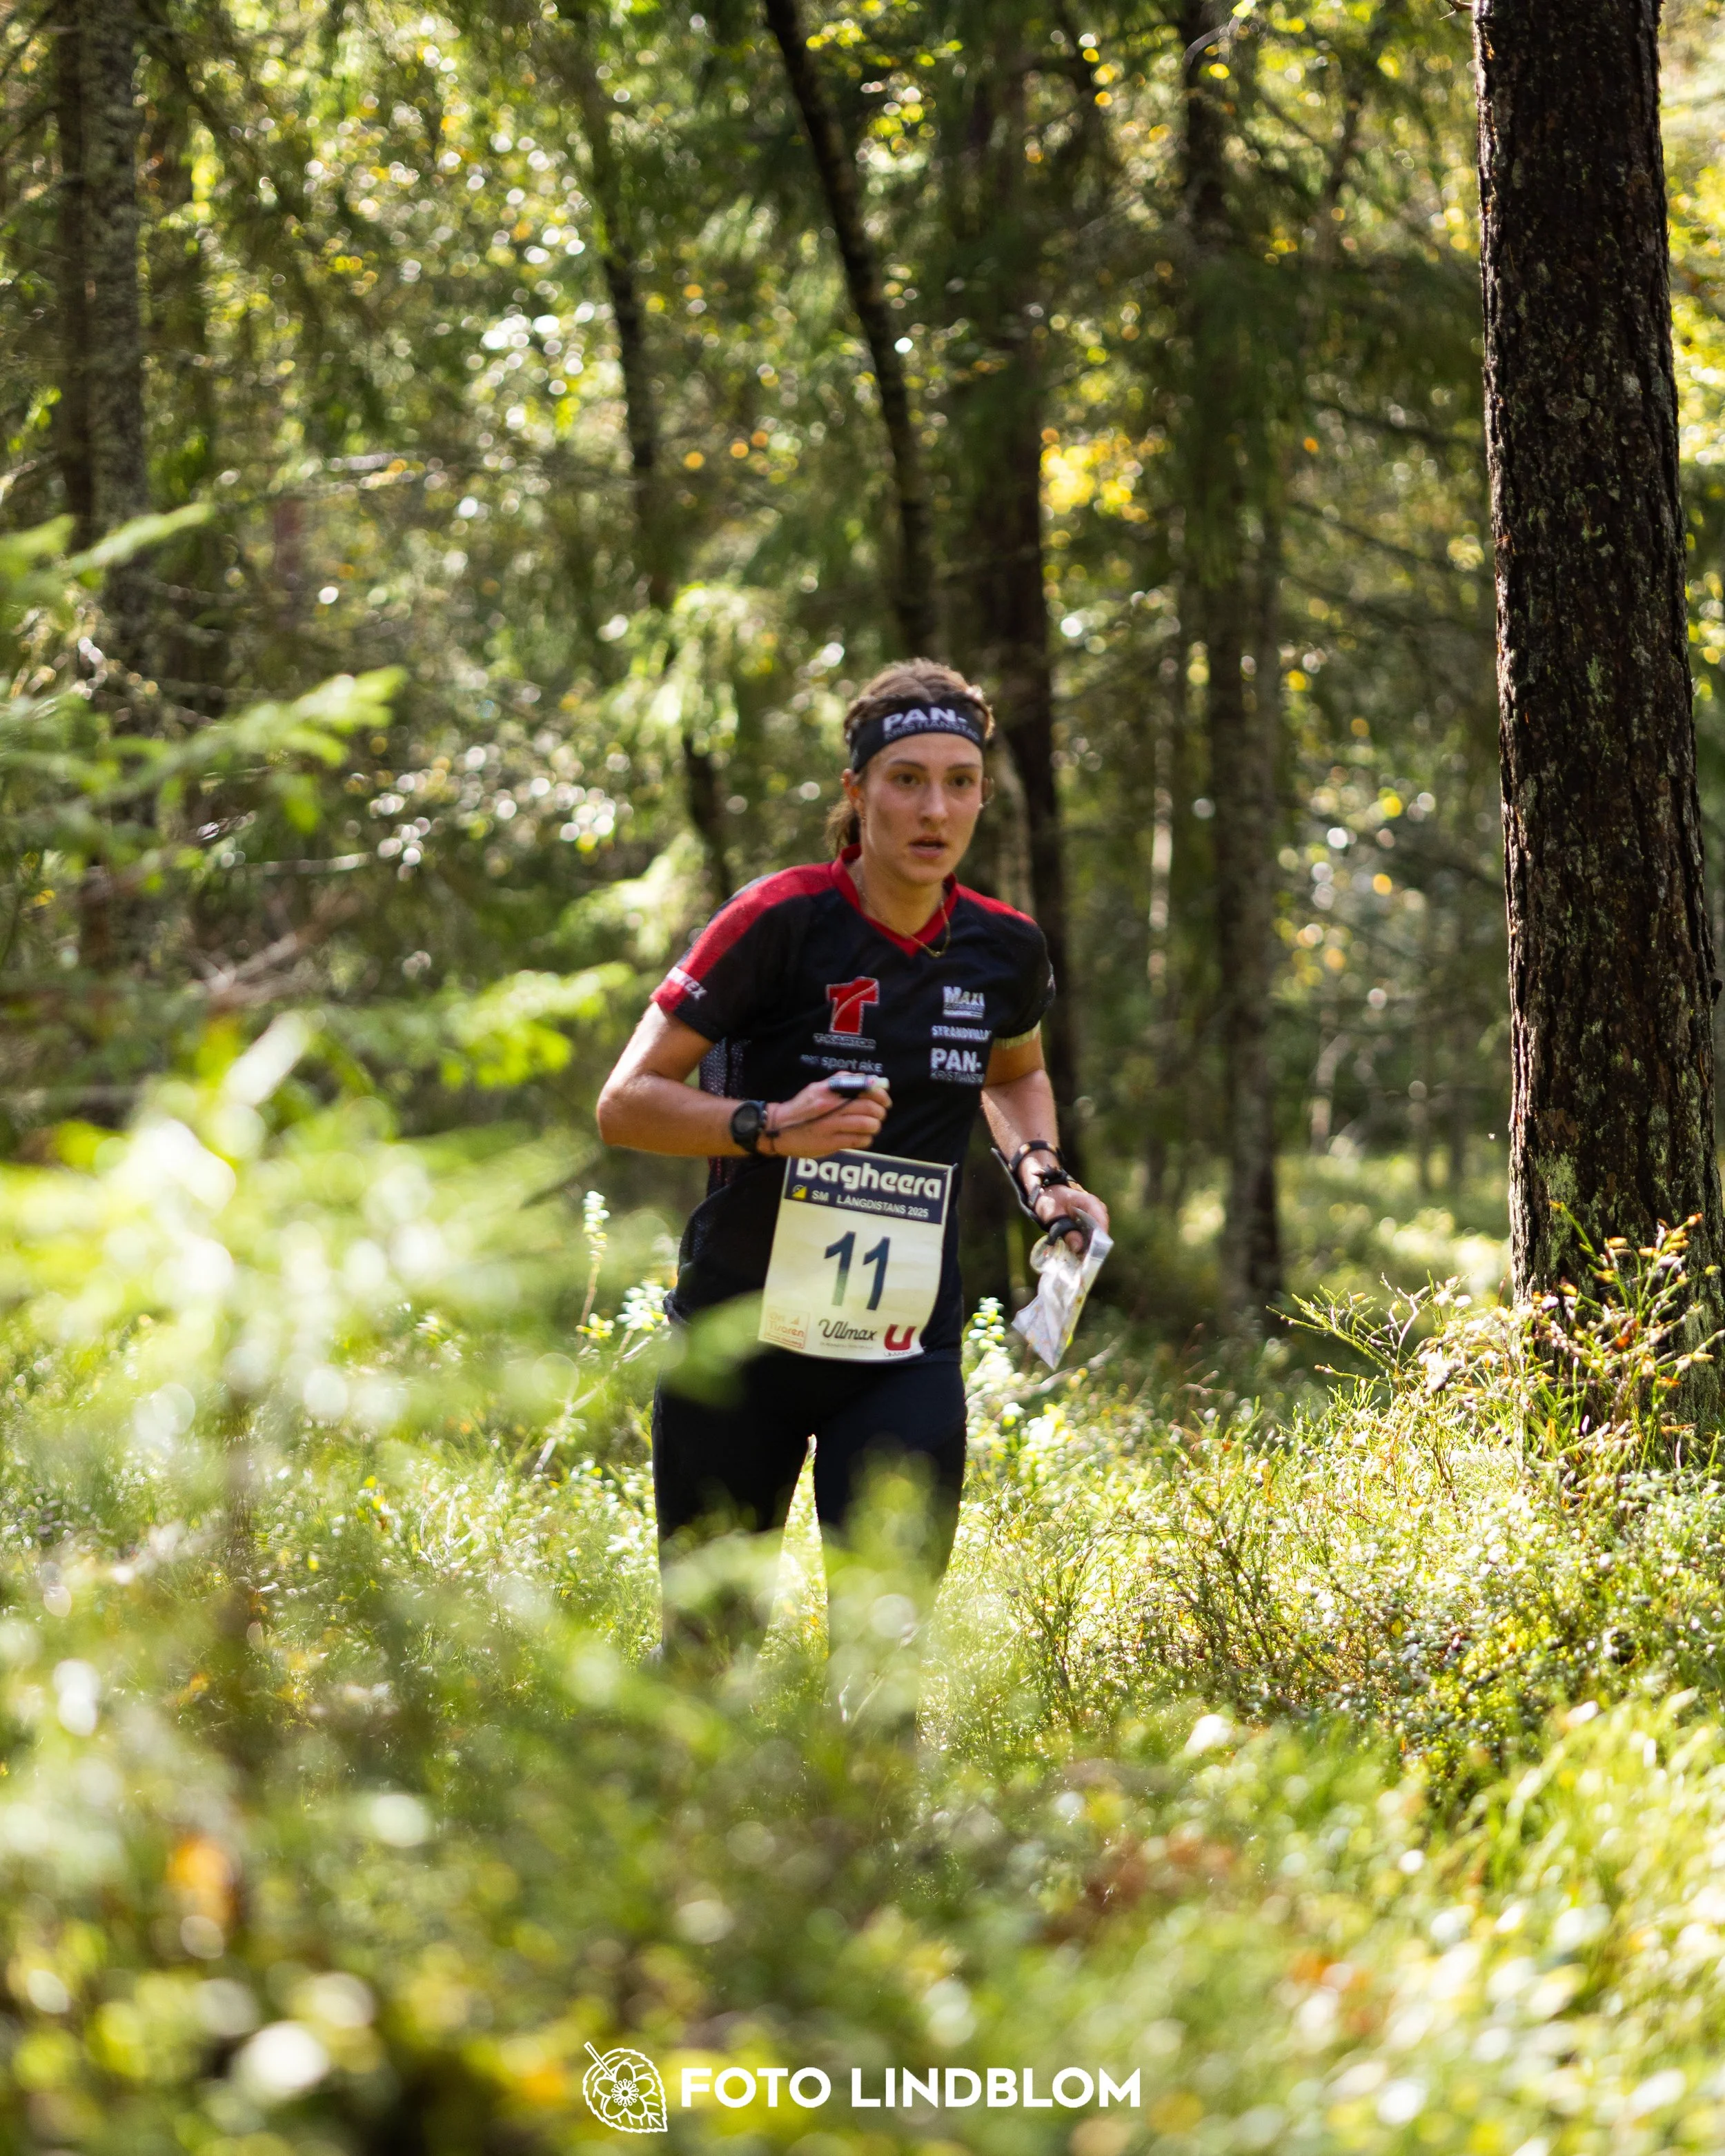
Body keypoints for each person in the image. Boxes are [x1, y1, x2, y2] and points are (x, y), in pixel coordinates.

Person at [595, 658, 1109, 1610]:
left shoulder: (1004, 950)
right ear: (857, 791)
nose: (934, 810)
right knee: (710, 1653)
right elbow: (626, 1102)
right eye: (906, 779)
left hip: (900, 1354)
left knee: (888, 1652)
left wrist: (1042, 1174)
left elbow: (1017, 1070)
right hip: (736, 1339)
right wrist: (768, 1127)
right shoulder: (778, 921)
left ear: (983, 795)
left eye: (959, 784)